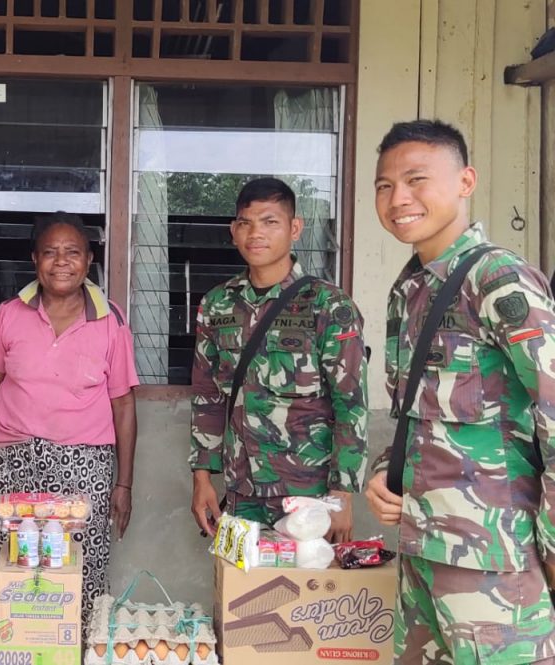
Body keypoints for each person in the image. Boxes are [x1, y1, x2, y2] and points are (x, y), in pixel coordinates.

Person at [365, 120, 555, 663]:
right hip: (423, 550)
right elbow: (419, 413)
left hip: (496, 563)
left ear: (465, 181)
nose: (398, 199)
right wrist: (386, 471)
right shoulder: (412, 290)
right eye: (384, 186)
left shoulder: (498, 280)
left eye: (416, 180)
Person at [0, 212, 139, 621]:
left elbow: (124, 405)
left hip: (85, 465)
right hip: (13, 461)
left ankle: (79, 645)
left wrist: (124, 483)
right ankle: (21, 645)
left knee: (83, 568)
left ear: (89, 259)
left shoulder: (111, 321)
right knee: (16, 567)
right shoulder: (9, 313)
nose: (61, 261)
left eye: (72, 252)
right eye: (50, 252)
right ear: (35, 259)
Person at [190, 178, 369, 540]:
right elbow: (207, 396)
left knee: (306, 578)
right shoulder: (217, 304)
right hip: (241, 489)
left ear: (295, 229)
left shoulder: (328, 305)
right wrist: (202, 477)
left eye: (270, 221)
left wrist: (342, 494)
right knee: (236, 576)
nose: (256, 233)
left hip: (309, 492)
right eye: (246, 223)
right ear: (233, 231)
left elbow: (350, 403)